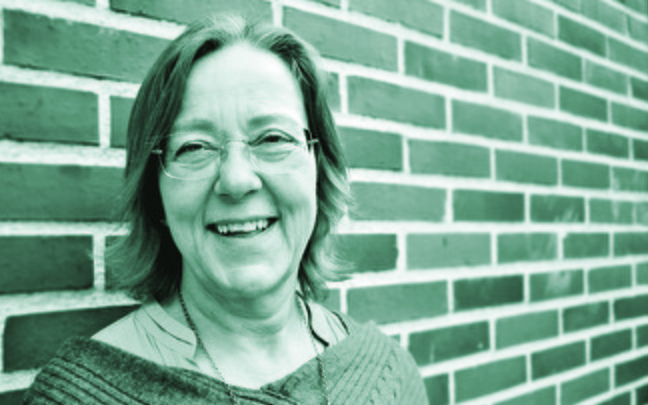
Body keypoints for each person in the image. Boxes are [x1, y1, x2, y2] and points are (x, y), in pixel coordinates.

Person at [23, 14, 429, 405]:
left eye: (273, 138)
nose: (236, 180)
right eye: (194, 147)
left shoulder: (390, 376)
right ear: (156, 194)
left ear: (318, 170)